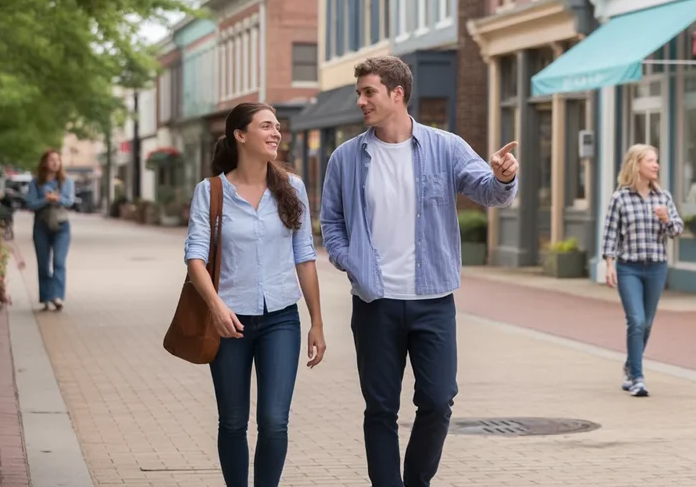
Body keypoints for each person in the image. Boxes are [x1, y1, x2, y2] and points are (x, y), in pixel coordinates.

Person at [319, 55, 518, 487]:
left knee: (438, 400)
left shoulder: (445, 147)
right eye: (359, 93)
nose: (361, 102)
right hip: (375, 301)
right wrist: (349, 261)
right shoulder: (346, 158)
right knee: (381, 409)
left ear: (397, 93)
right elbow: (330, 223)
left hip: (432, 300)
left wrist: (502, 177)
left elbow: (488, 191)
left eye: (368, 92)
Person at [184, 102, 326, 487]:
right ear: (240, 135)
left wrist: (317, 322)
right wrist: (216, 307)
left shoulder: (291, 187)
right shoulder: (211, 191)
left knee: (274, 421)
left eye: (278, 126)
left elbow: (305, 256)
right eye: (266, 126)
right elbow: (194, 255)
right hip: (229, 321)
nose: (276, 133)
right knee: (232, 421)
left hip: (281, 318)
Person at [601, 144, 684, 398]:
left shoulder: (664, 197)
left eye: (656, 161)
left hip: (657, 267)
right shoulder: (620, 198)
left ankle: (630, 365)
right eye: (651, 161)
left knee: (646, 325)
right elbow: (610, 233)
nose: (656, 165)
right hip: (629, 269)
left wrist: (666, 219)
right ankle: (637, 377)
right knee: (635, 321)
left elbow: (677, 230)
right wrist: (609, 264)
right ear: (636, 164)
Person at [26, 150, 75, 311]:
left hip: (62, 226)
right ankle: (45, 297)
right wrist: (45, 200)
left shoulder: (66, 181)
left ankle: (57, 296)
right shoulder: (35, 183)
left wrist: (58, 198)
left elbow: (70, 201)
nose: (55, 163)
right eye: (51, 160)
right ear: (45, 163)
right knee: (43, 263)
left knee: (59, 262)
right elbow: (31, 204)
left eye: (58, 160)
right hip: (41, 225)